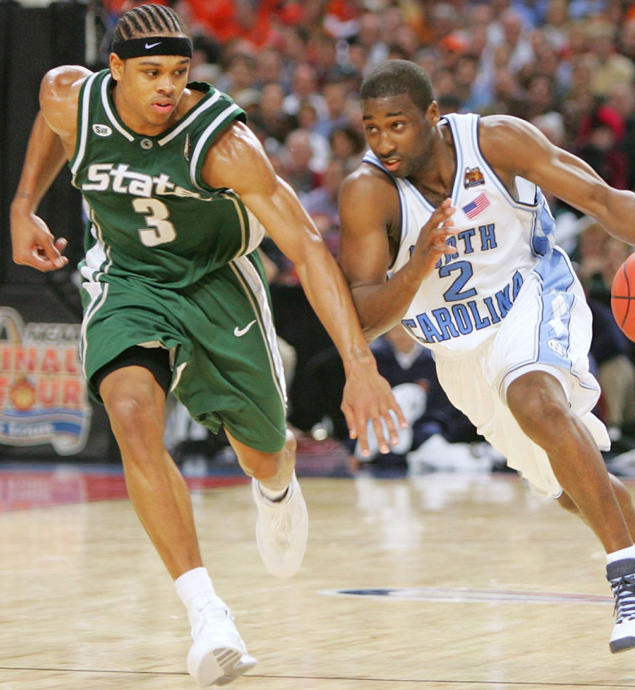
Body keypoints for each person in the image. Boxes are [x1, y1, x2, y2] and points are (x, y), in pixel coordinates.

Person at [9, 6, 406, 688]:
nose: (168, 88)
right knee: (132, 413)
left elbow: (308, 250)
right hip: (129, 277)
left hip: (216, 284)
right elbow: (53, 126)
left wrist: (360, 364)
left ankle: (276, 481)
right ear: (115, 71)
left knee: (260, 451)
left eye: (180, 73)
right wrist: (23, 206)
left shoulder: (223, 145)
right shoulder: (67, 94)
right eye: (152, 73)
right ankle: (208, 614)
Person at [338, 59, 635, 668]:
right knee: (568, 485)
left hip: (532, 294)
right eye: (372, 128)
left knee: (534, 398)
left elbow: (600, 197)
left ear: (433, 118)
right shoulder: (367, 192)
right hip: (458, 350)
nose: (385, 142)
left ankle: (630, 578)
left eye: (398, 125)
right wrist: (416, 265)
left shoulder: (493, 141)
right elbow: (361, 316)